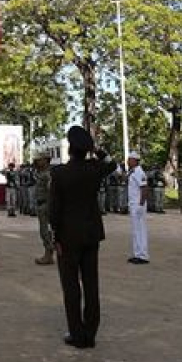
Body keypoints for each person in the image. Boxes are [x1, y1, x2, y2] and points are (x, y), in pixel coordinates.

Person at [48, 125, 115, 349]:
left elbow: (54, 210)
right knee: (91, 283)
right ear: (87, 149)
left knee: (71, 286)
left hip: (67, 236)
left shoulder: (59, 174)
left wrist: (55, 235)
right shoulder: (94, 169)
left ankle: (77, 333)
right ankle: (90, 333)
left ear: (69, 148)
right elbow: (112, 164)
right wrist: (97, 151)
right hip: (91, 233)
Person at [126, 151, 149, 265]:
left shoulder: (139, 172)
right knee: (136, 230)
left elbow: (144, 189)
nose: (128, 161)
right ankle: (137, 254)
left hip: (138, 205)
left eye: (130, 159)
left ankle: (143, 255)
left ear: (135, 161)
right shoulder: (133, 172)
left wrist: (141, 205)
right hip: (133, 204)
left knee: (140, 230)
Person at [33, 153, 55, 265]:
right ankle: (48, 252)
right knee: (44, 230)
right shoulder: (41, 173)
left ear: (46, 161)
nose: (37, 162)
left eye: (39, 160)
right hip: (42, 204)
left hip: (46, 204)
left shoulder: (47, 175)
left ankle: (48, 254)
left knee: (45, 230)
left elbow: (51, 191)